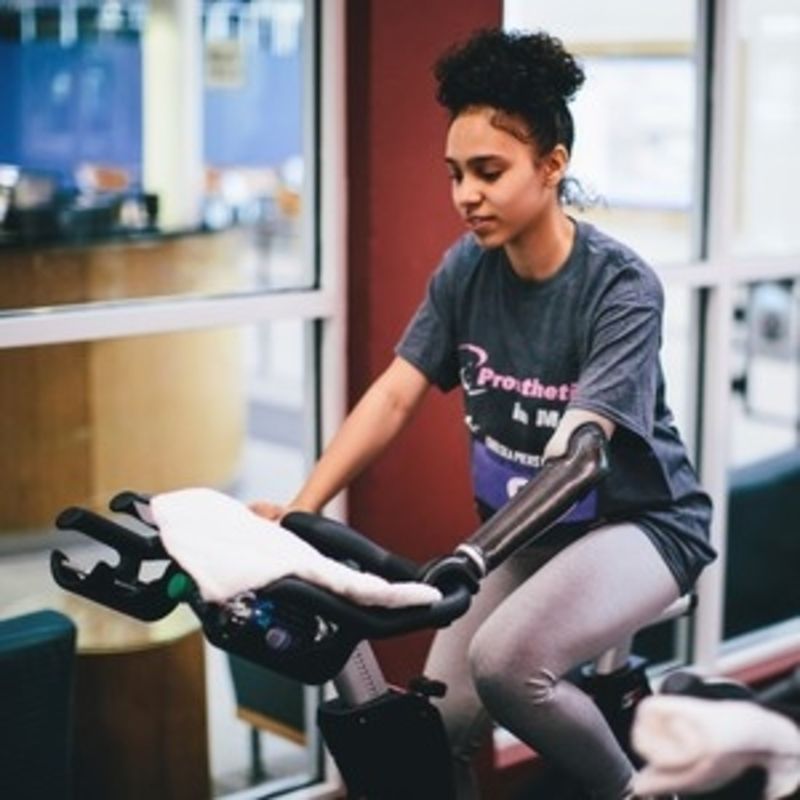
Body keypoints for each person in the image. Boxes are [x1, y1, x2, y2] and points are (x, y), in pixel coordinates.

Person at [253, 27, 716, 800]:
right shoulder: (467, 269)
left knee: (506, 664)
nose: (466, 194)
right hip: (526, 538)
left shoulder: (620, 288)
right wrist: (301, 508)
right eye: (455, 173)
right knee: (439, 728)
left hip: (641, 526)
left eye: (489, 172)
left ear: (552, 166)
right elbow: (396, 393)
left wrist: (474, 555)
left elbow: (580, 457)